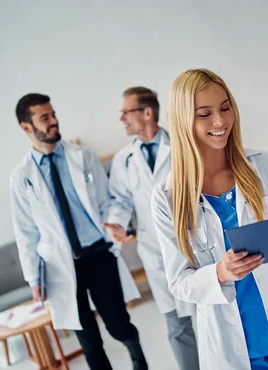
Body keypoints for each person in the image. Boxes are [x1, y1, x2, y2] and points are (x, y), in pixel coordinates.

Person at [151, 69, 268, 370]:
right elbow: (179, 282)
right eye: (204, 114)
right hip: (230, 346)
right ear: (184, 120)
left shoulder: (264, 166)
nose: (220, 121)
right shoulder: (168, 196)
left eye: (225, 108)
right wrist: (220, 273)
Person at [10, 93, 148, 370]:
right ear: (27, 128)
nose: (54, 122)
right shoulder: (21, 176)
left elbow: (106, 202)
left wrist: (114, 224)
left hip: (98, 254)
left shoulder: (81, 156)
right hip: (60, 265)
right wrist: (34, 279)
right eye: (44, 118)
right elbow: (26, 233)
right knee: (88, 340)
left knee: (118, 324)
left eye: (53, 114)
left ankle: (138, 359)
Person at [105, 86, 199, 370]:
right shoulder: (125, 159)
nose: (122, 119)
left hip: (193, 242)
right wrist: (118, 223)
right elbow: (119, 199)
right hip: (154, 250)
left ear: (147, 113)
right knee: (176, 324)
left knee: (214, 313)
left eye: (126, 112)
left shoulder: (184, 145)